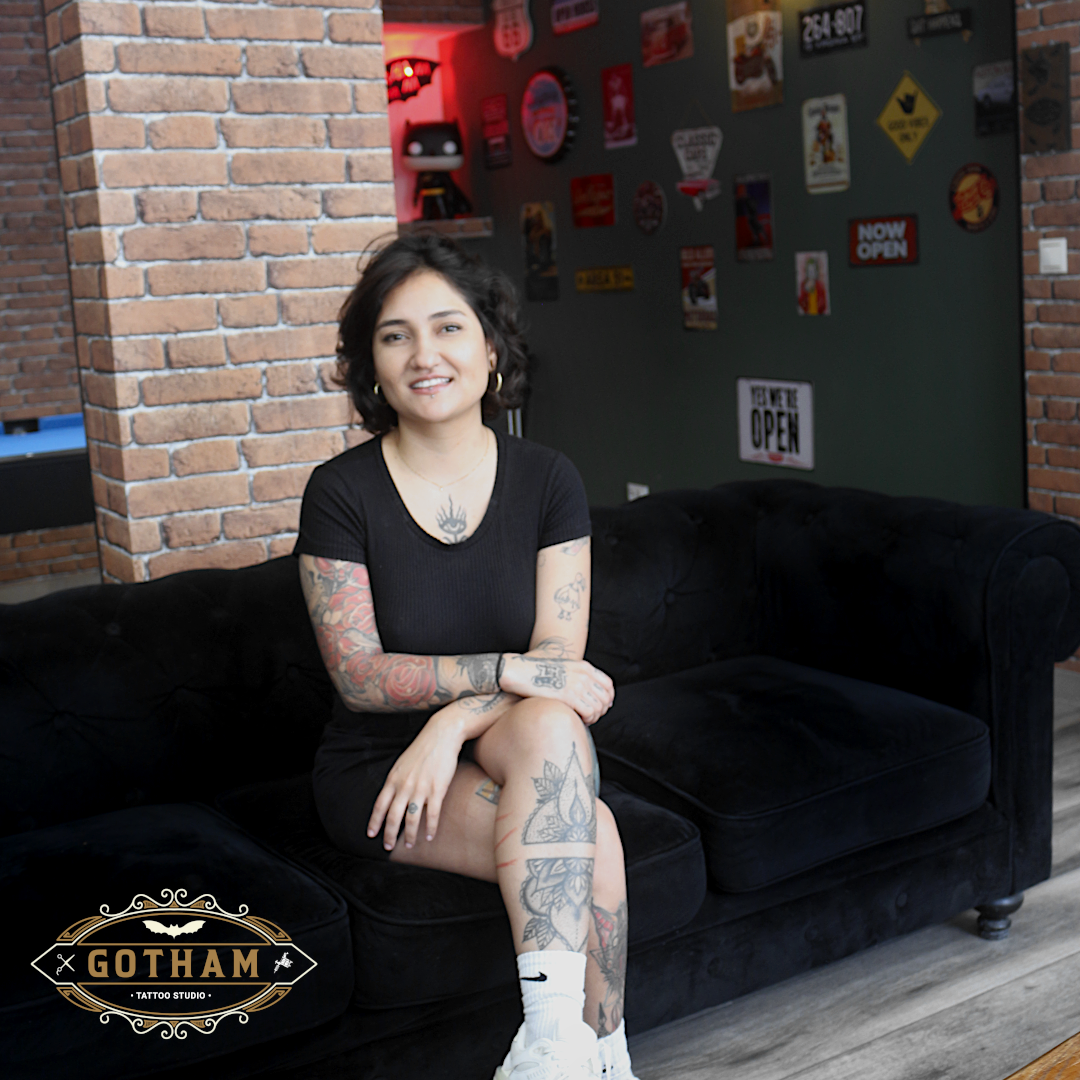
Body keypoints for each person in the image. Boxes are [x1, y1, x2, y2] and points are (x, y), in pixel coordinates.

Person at [292, 232, 639, 1080]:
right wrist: (502, 671)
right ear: (372, 367)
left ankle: (553, 1049)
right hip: (382, 766)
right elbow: (360, 676)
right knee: (591, 832)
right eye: (396, 335)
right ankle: (599, 1058)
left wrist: (449, 724)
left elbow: (555, 661)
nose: (425, 355)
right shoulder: (339, 492)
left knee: (551, 721)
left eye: (448, 328)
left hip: (501, 736)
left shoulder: (548, 479)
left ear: (490, 349)